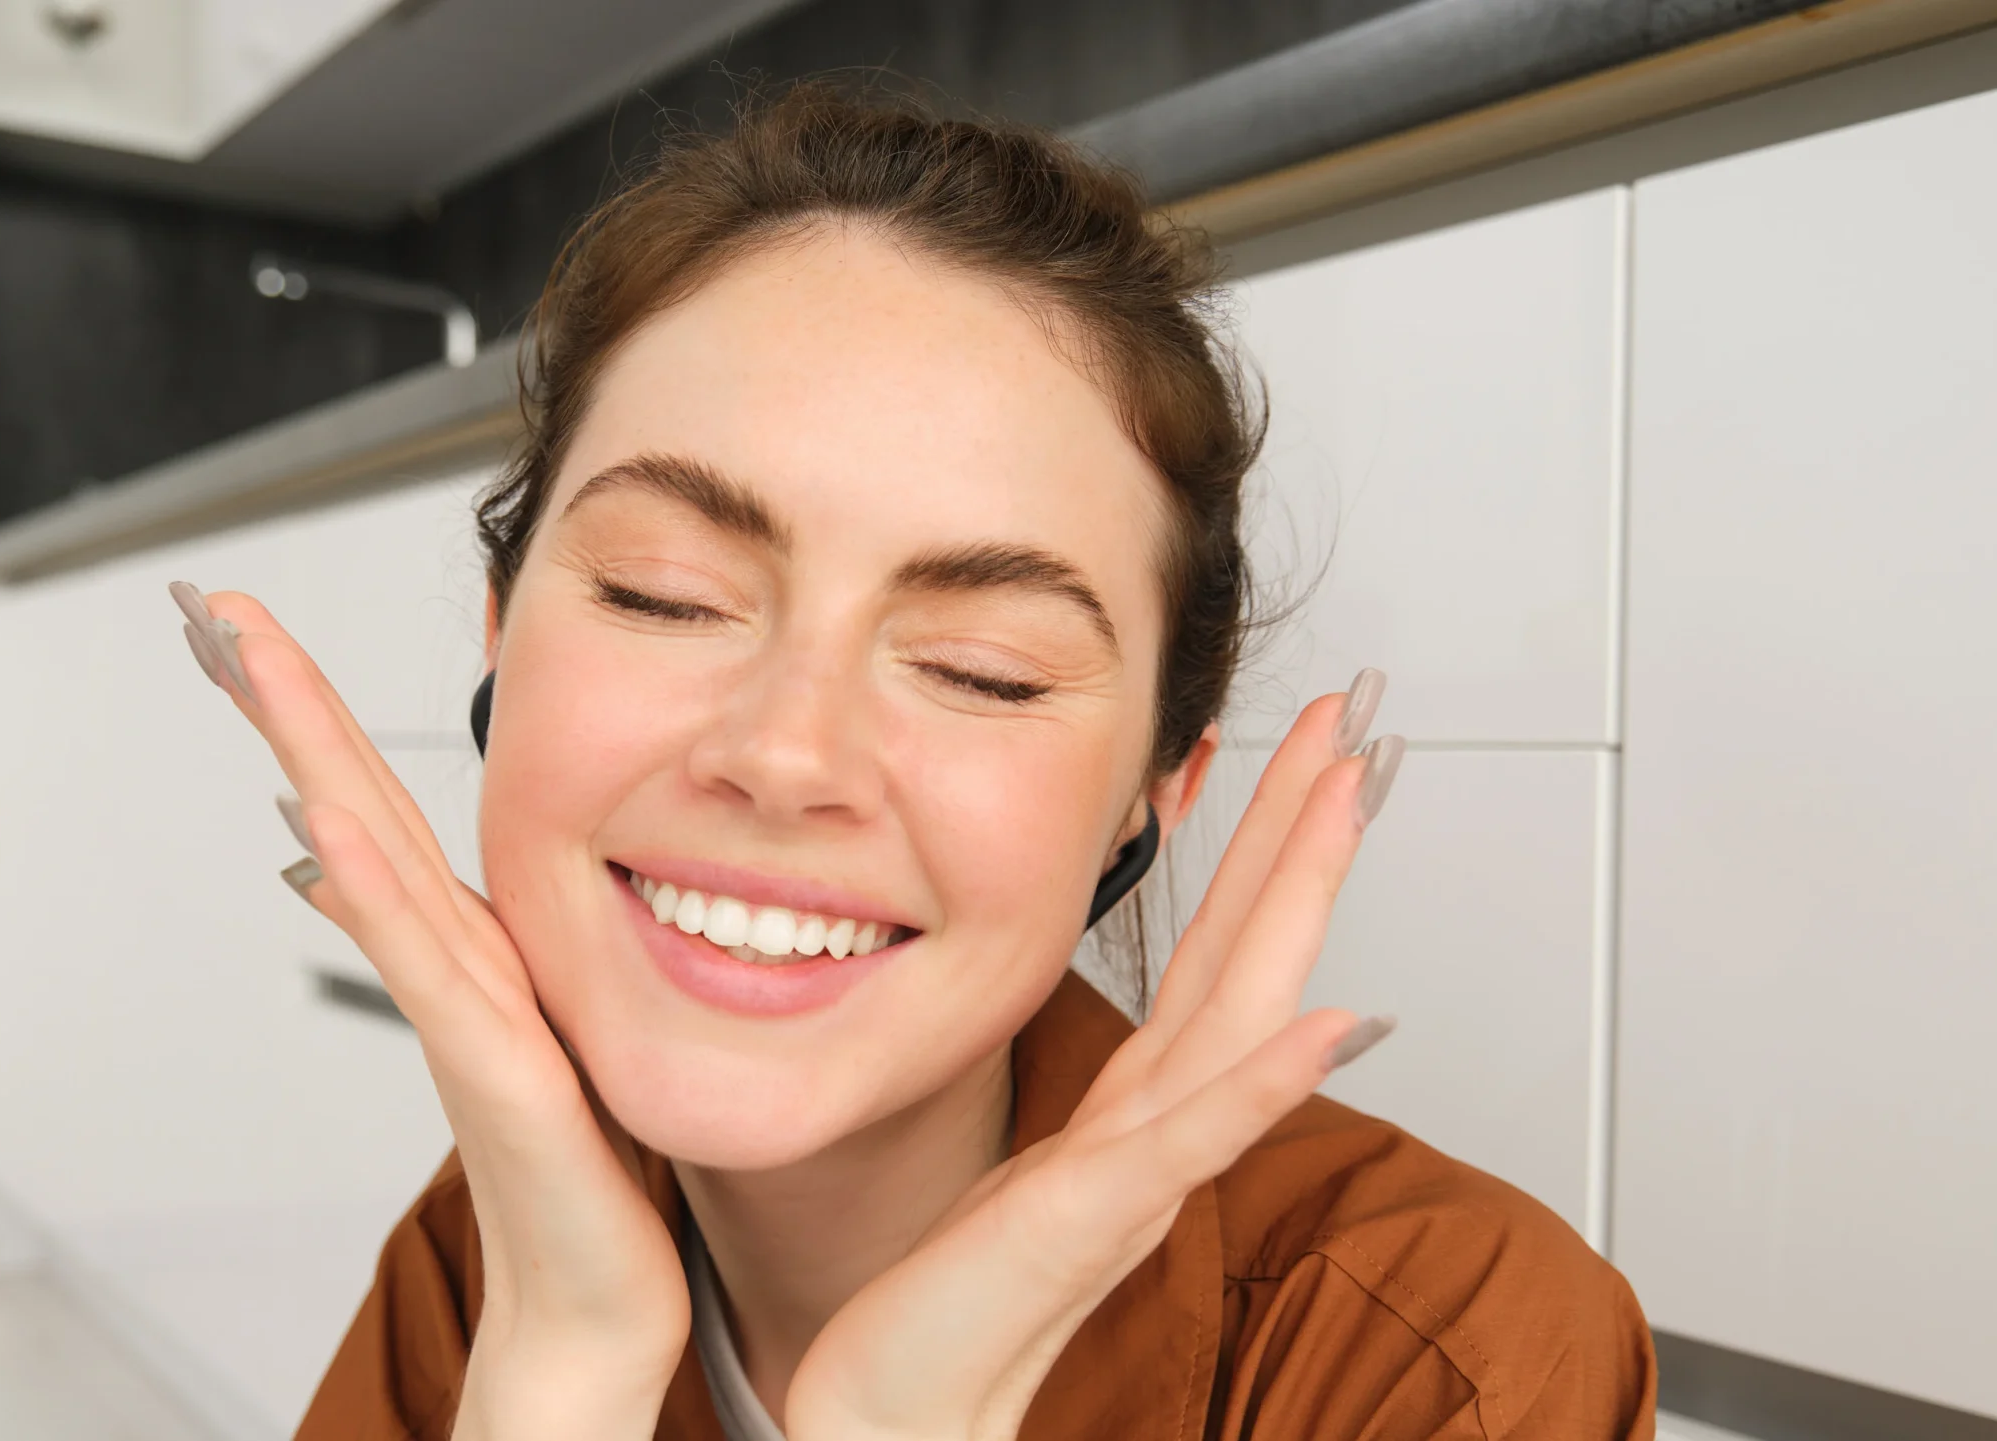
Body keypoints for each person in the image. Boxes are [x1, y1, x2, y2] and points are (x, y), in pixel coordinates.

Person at [171, 84, 1655, 1441]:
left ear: (1157, 787)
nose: (783, 752)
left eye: (978, 671)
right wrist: (555, 1387)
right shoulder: (492, 1257)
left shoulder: (1444, 1355)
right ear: (502, 641)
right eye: (663, 593)